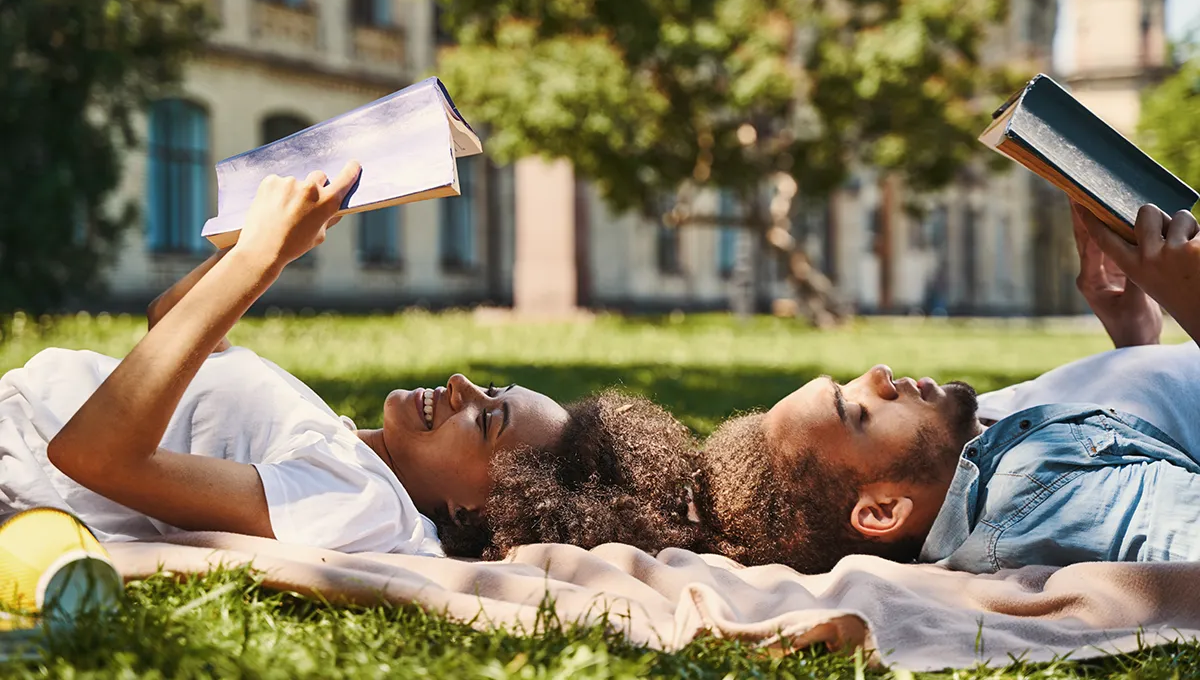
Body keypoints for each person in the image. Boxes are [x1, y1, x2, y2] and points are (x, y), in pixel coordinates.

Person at [1, 164, 706, 559]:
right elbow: (170, 331)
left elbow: (94, 457)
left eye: (485, 422)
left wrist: (260, 261)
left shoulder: (359, 503)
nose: (461, 386)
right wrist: (261, 244)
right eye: (489, 388)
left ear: (469, 508)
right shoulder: (346, 451)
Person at [697, 202, 1200, 574]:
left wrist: (1135, 341)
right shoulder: (1043, 497)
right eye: (856, 413)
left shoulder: (965, 450)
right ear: (883, 510)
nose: (877, 375)